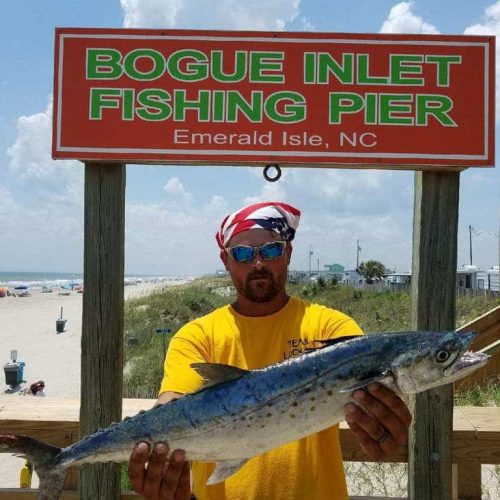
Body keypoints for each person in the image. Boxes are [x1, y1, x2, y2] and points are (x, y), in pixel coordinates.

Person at [127, 201, 412, 500]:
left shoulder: (330, 327)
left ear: (287, 254)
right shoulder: (197, 336)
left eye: (271, 250)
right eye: (243, 254)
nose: (258, 264)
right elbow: (174, 399)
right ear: (226, 261)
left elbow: (370, 396)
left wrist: (383, 430)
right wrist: (155, 440)